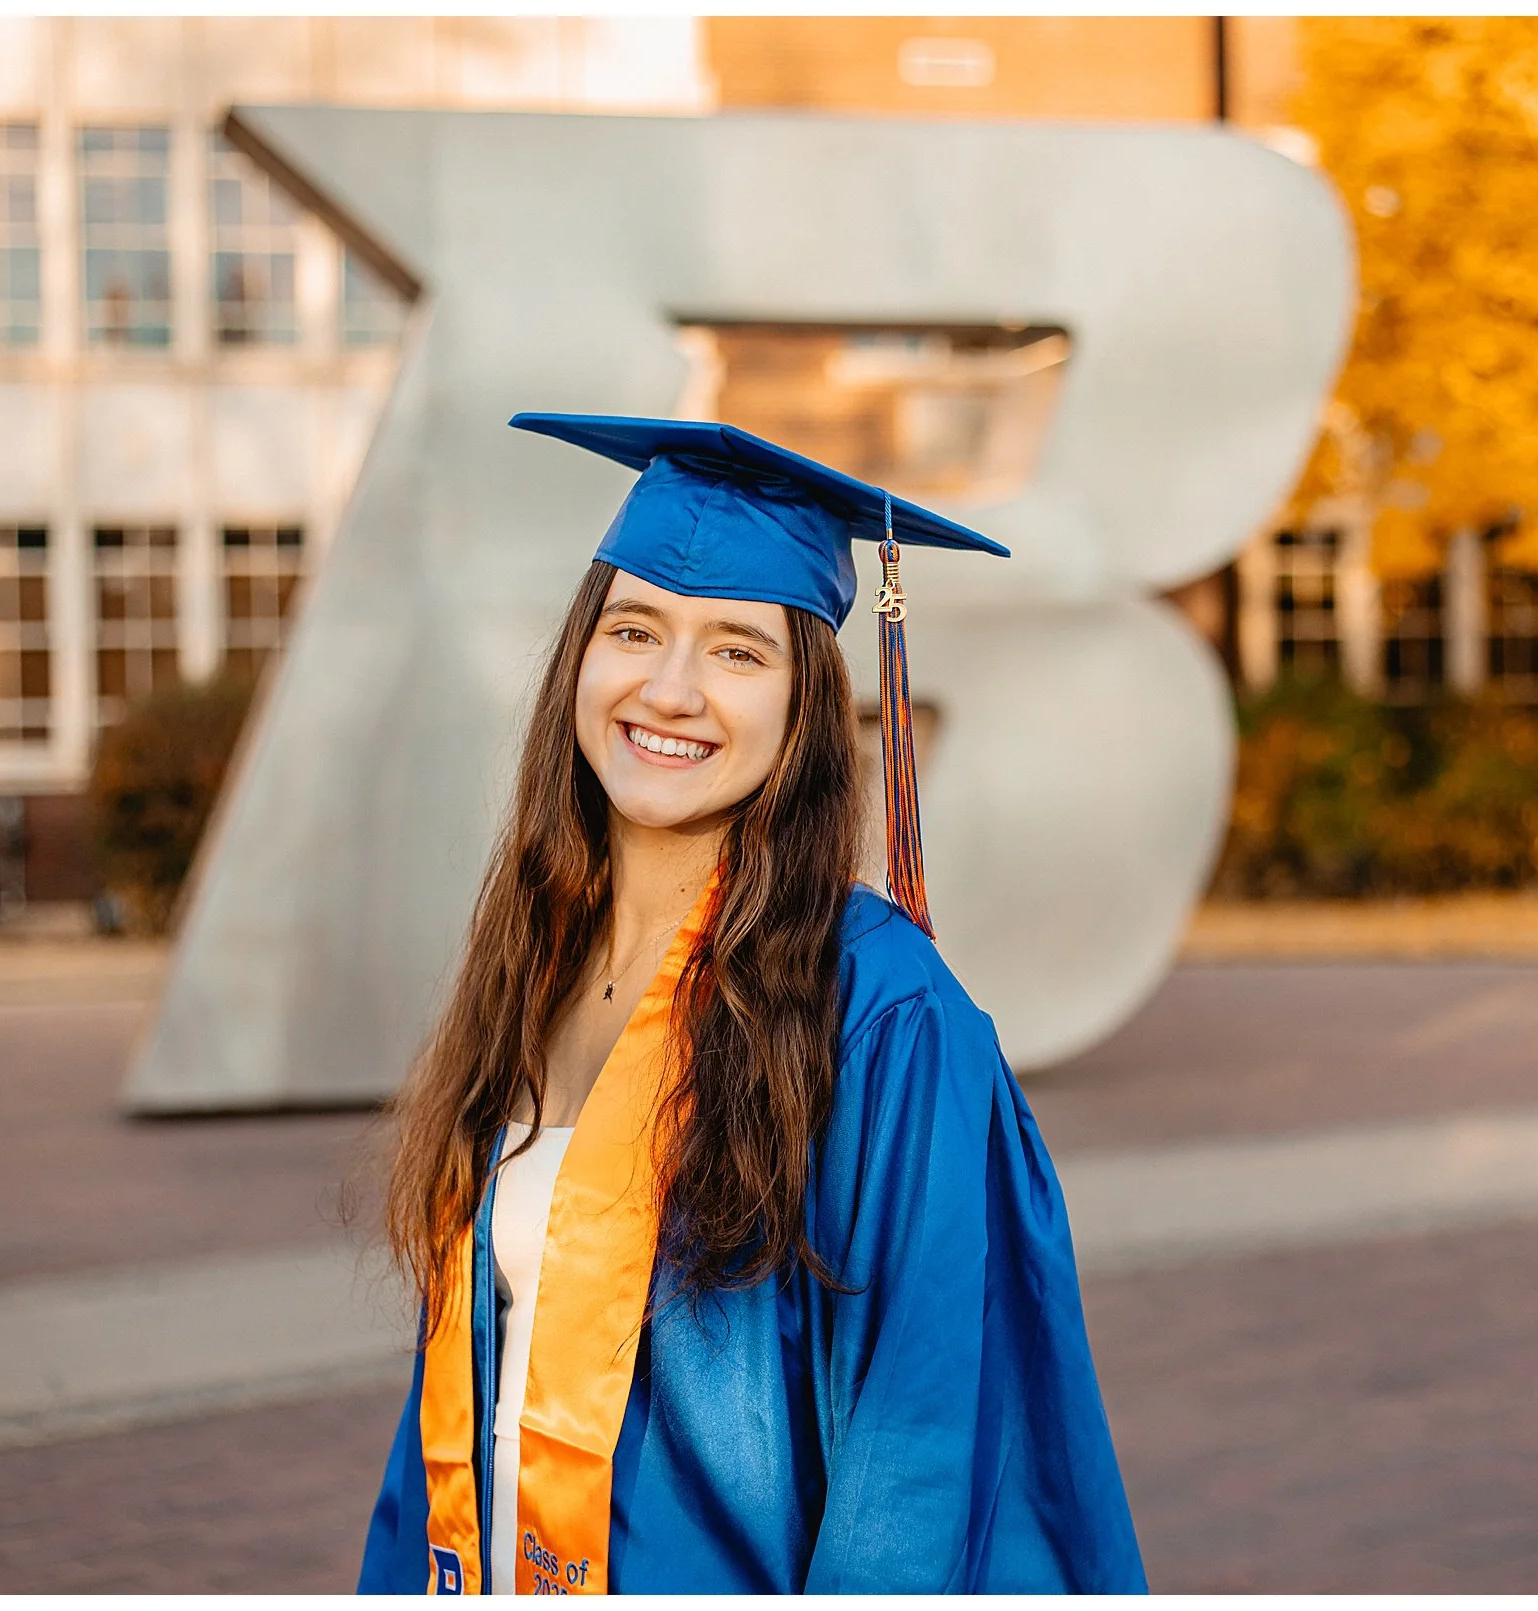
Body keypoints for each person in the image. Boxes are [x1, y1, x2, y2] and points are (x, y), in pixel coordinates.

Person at [357, 414, 1147, 1595]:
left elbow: (916, 1460)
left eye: (737, 651)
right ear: (581, 658)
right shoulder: (532, 968)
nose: (669, 690)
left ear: (800, 711)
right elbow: (462, 1397)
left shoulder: (881, 1012)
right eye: (635, 631)